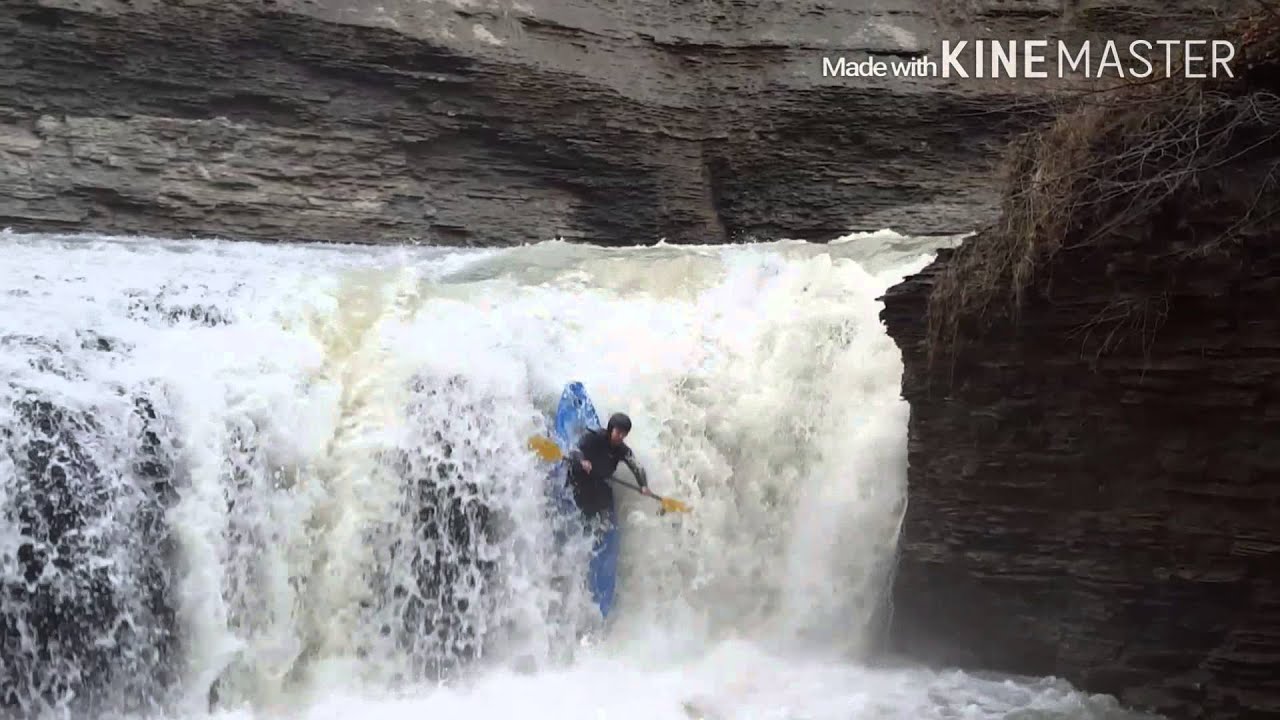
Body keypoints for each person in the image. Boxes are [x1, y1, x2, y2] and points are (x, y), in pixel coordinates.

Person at [564, 412, 652, 521]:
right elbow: (575, 450)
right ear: (611, 430)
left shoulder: (623, 450)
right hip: (580, 475)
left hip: (599, 481)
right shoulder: (594, 437)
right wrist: (582, 461)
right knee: (583, 507)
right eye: (618, 432)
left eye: (624, 434)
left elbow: (637, 467)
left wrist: (643, 485)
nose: (621, 436)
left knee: (601, 507)